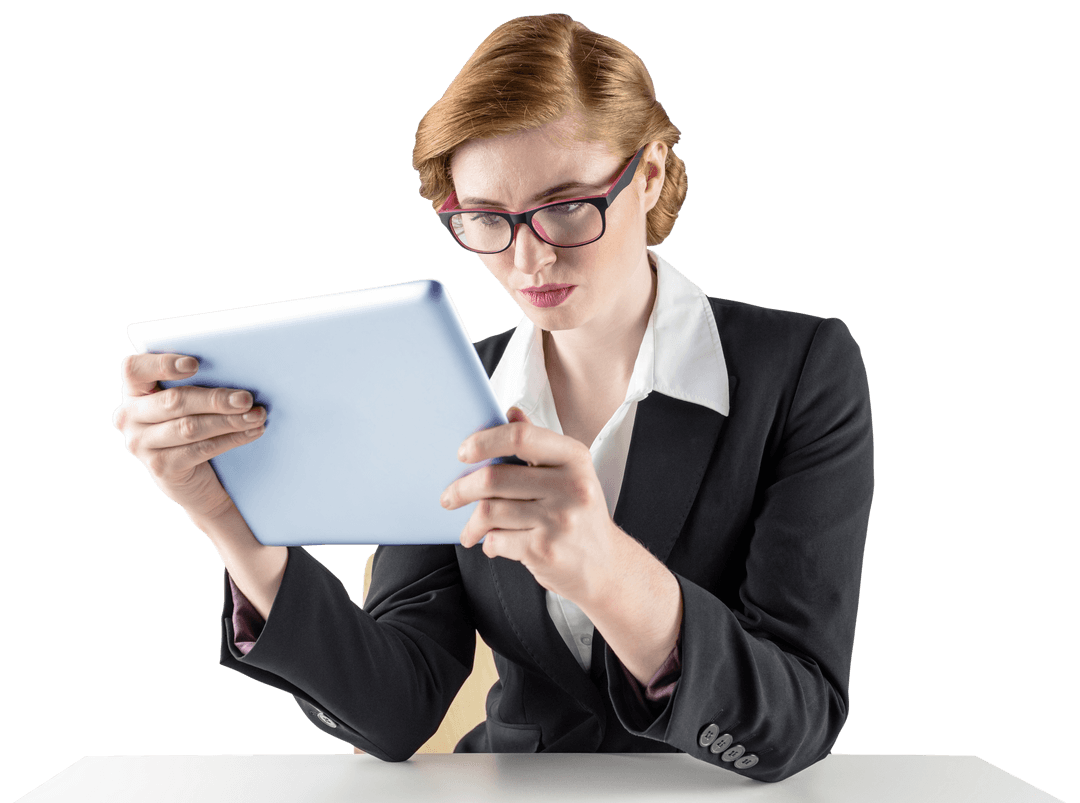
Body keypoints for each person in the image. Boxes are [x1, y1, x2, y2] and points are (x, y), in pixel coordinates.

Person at [112, 13, 873, 783]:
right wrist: (233, 524)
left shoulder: (801, 369)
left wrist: (603, 569)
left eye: (569, 204)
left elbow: (799, 713)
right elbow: (398, 706)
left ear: (647, 175)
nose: (529, 255)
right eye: (486, 219)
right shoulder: (447, 385)